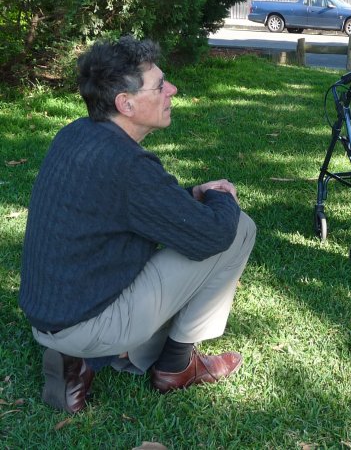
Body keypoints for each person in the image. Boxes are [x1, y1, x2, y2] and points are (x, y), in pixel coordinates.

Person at [19, 36, 256, 413]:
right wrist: (222, 195)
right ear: (125, 103)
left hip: (49, 315)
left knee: (187, 234)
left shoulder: (77, 133)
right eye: (160, 86)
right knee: (238, 228)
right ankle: (176, 367)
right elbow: (213, 234)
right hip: (84, 322)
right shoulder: (128, 165)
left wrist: (193, 193)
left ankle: (82, 360)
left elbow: (140, 202)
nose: (172, 90)